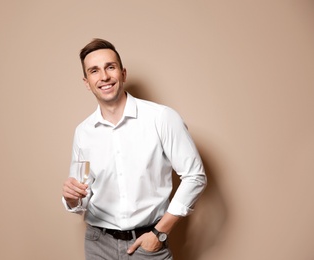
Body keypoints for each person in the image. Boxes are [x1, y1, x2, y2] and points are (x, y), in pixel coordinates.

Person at [62, 38, 207, 260]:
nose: (104, 77)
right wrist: (72, 199)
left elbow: (194, 176)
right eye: (94, 71)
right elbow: (82, 195)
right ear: (86, 82)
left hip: (148, 242)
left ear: (123, 73)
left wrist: (160, 233)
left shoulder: (161, 118)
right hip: (97, 244)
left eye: (110, 67)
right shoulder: (83, 132)